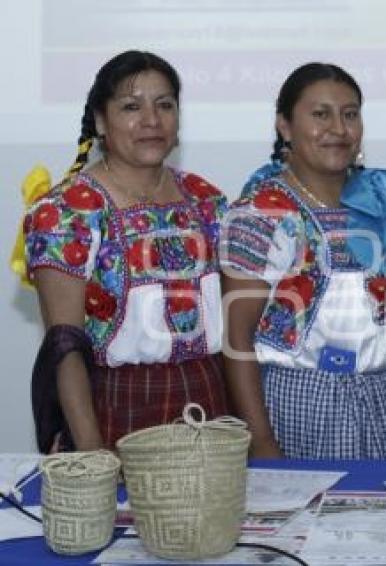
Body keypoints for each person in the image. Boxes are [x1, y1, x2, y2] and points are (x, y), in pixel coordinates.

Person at [22, 50, 230, 452]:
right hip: (116, 405)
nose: (151, 121)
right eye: (131, 107)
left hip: (209, 398)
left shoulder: (207, 200)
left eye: (165, 105)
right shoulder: (67, 212)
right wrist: (91, 448)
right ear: (100, 120)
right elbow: (65, 348)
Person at [220, 63, 386, 459]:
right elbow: (236, 340)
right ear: (285, 127)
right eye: (320, 114)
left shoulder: (382, 206)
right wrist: (261, 443)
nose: (339, 129)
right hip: (302, 402)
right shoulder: (261, 213)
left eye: (350, 114)